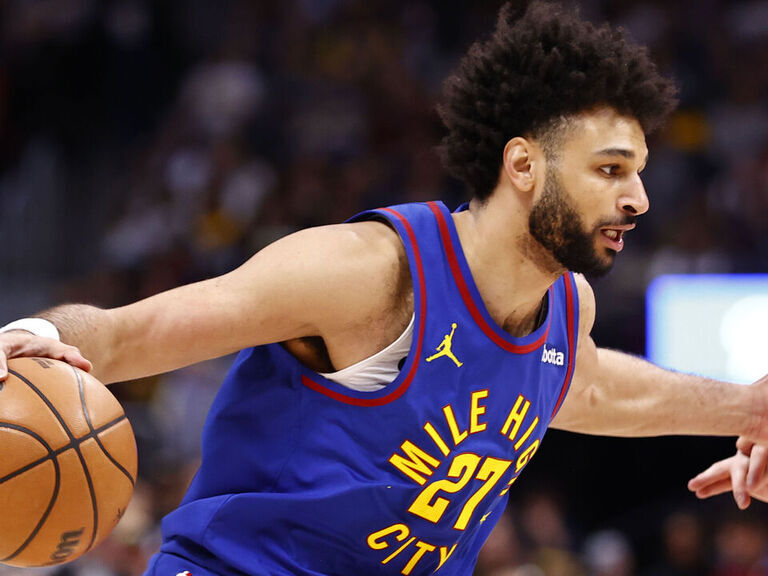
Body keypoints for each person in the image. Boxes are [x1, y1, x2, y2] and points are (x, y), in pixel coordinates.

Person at [2, 1, 767, 575]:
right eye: (610, 170)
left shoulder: (567, 310)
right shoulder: (368, 273)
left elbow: (589, 388)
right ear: (524, 166)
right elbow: (133, 332)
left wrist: (748, 408)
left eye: (638, 172)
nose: (639, 199)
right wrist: (41, 337)